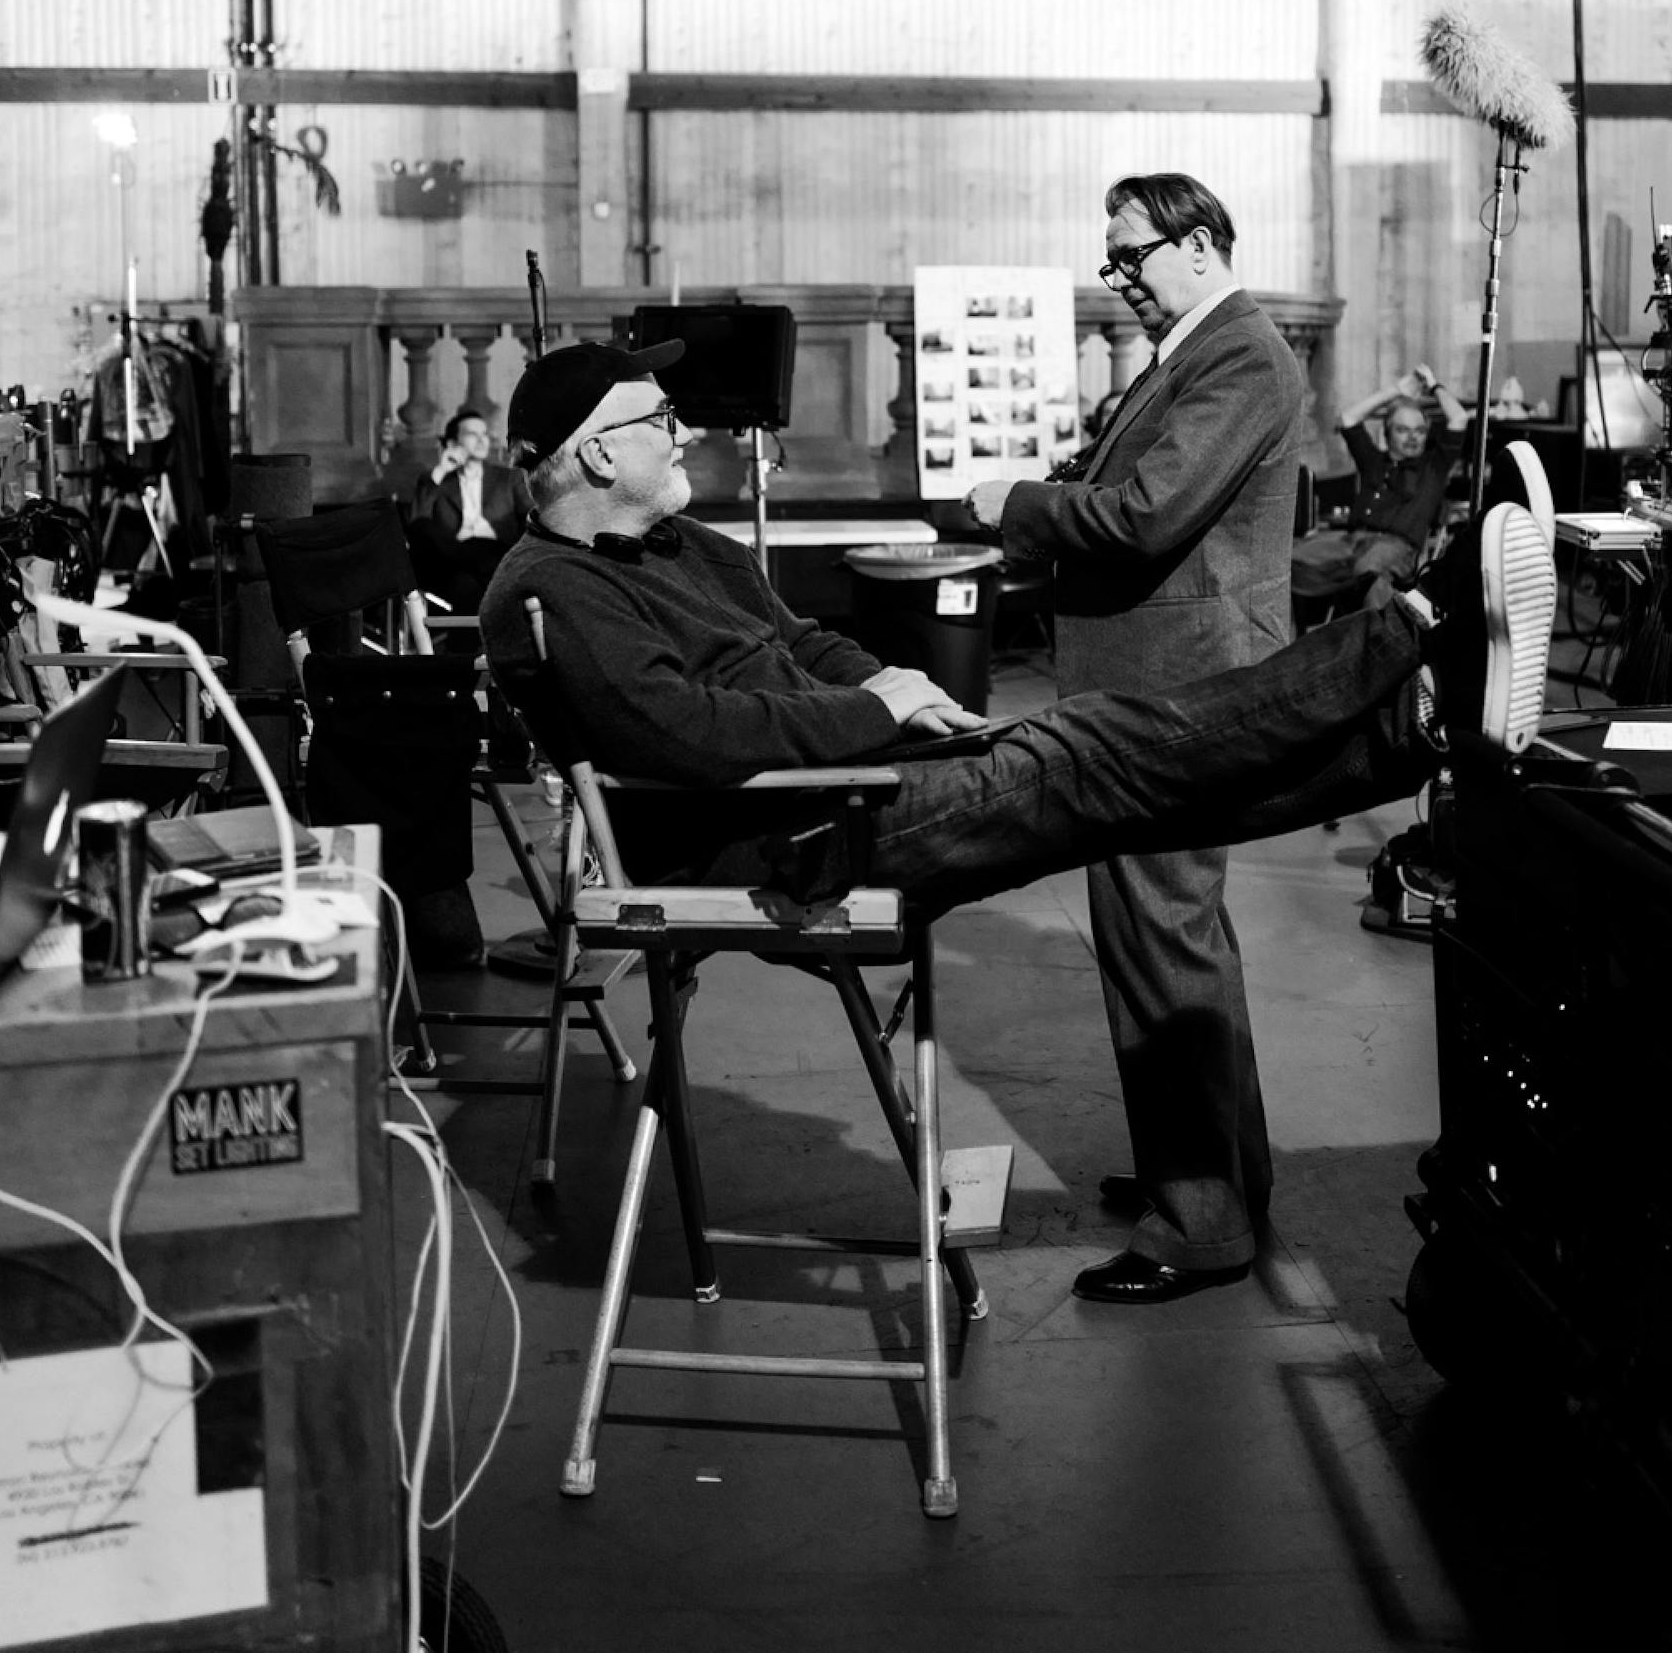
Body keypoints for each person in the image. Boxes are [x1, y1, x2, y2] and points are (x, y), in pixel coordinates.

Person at [478, 341, 1558, 1302]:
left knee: (1130, 787)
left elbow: (805, 643)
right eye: (654, 418)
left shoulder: (686, 547)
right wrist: (871, 714)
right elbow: (685, 739)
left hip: (850, 786)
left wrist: (896, 683)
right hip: (780, 845)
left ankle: (1421, 722)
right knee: (1088, 745)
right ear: (590, 453)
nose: (683, 432)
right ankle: (1418, 627)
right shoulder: (545, 588)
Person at [963, 173, 1304, 1304]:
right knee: (1174, 933)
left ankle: (1199, 1220)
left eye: (1132, 256)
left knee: (1160, 933)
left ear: (1199, 243)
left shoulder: (1239, 355)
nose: (1119, 280)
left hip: (1176, 693)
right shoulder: (1193, 354)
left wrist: (1012, 501)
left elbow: (1147, 514)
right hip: (1155, 684)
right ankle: (1217, 1175)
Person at [1291, 365, 1469, 603]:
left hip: (1396, 547)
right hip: (1350, 541)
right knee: (1287, 559)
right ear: (1387, 433)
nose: (1413, 437)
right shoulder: (1374, 461)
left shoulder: (1433, 467)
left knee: (1368, 571)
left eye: (1419, 431)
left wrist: (1434, 385)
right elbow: (1348, 418)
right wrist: (1395, 390)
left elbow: (1459, 418)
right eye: (1403, 430)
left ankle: (1379, 637)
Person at [410, 408, 520, 611]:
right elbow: (418, 521)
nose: (482, 440)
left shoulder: (508, 478)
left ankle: (464, 643)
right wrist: (442, 470)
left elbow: (529, 519)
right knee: (464, 584)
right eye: (472, 434)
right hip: (455, 560)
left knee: (468, 584)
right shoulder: (438, 481)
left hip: (497, 554)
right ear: (452, 444)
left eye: (484, 434)